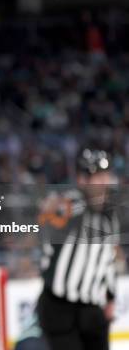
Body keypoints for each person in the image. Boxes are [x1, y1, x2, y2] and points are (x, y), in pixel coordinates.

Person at [37, 148, 120, 350]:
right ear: (82, 180)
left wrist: (110, 297)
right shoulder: (72, 204)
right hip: (59, 307)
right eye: (97, 177)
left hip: (91, 309)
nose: (103, 182)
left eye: (105, 176)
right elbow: (50, 215)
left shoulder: (110, 216)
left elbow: (108, 260)